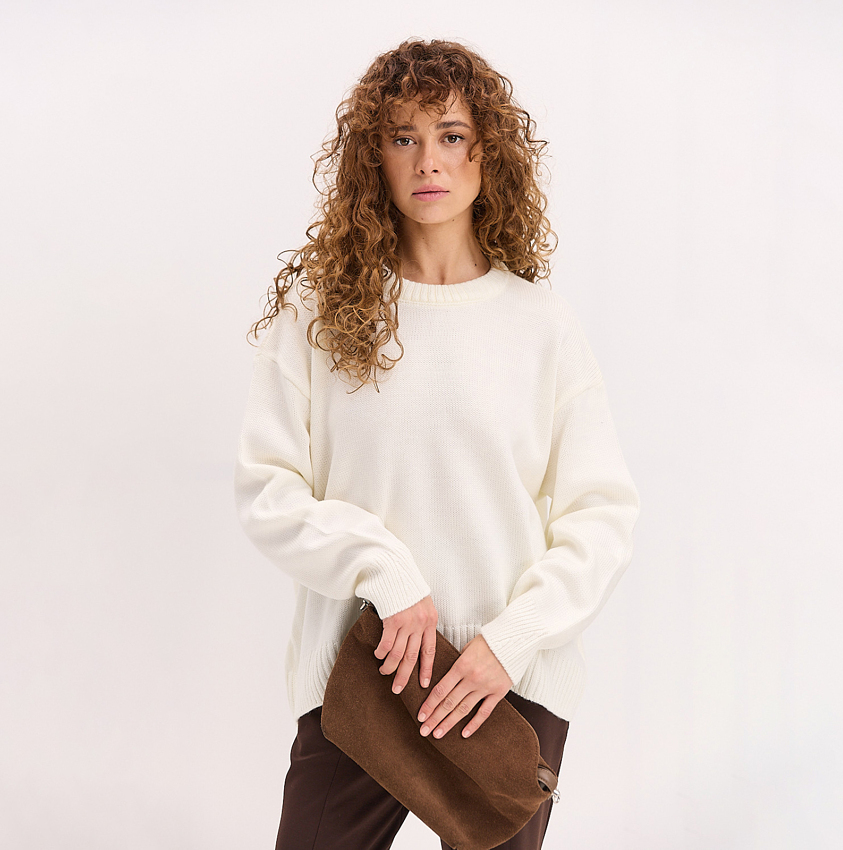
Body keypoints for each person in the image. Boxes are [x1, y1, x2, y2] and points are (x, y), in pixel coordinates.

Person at [233, 37, 640, 850]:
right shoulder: (319, 314)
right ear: (373, 157)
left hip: (503, 686)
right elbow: (267, 490)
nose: (428, 160)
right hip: (361, 678)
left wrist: (510, 643)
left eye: (452, 135)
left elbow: (602, 518)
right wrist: (382, 569)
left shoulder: (540, 326)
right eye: (403, 137)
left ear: (489, 153)